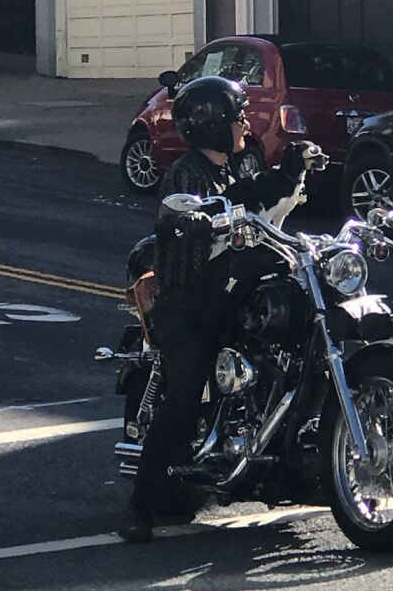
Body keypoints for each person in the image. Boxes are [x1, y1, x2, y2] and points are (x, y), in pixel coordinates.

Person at [119, 75, 314, 542]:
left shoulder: (238, 163)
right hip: (190, 301)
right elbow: (219, 210)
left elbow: (261, 205)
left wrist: (294, 171)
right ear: (211, 126)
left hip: (234, 289)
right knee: (184, 394)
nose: (245, 124)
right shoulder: (184, 176)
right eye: (237, 116)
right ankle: (139, 505)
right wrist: (264, 186)